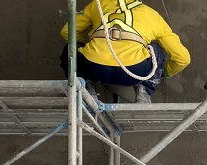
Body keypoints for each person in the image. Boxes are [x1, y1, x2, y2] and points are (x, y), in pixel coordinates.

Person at [60, 0, 190, 103]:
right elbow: (182, 58)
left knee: (72, 48)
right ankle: (144, 89)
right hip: (135, 71)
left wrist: (89, 47)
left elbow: (67, 30)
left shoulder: (97, 4)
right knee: (156, 49)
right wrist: (161, 74)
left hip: (95, 68)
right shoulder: (150, 13)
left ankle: (86, 88)